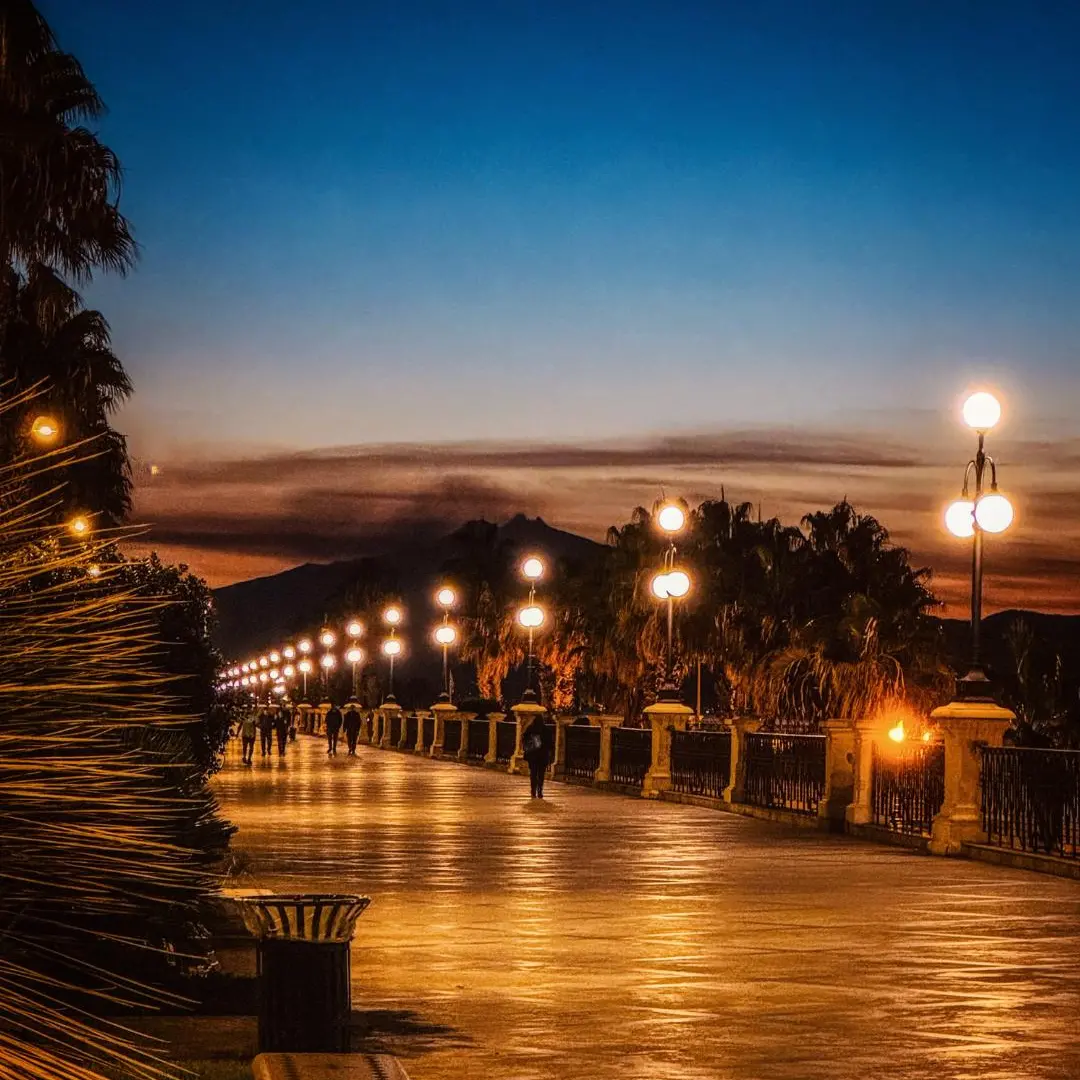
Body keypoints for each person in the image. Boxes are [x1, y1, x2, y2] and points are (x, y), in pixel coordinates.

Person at [522, 714, 553, 799]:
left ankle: (533, 791)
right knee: (541, 774)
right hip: (543, 756)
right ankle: (540, 790)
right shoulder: (547, 730)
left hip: (533, 756)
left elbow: (524, 740)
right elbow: (550, 744)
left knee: (533, 773)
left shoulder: (530, 729)